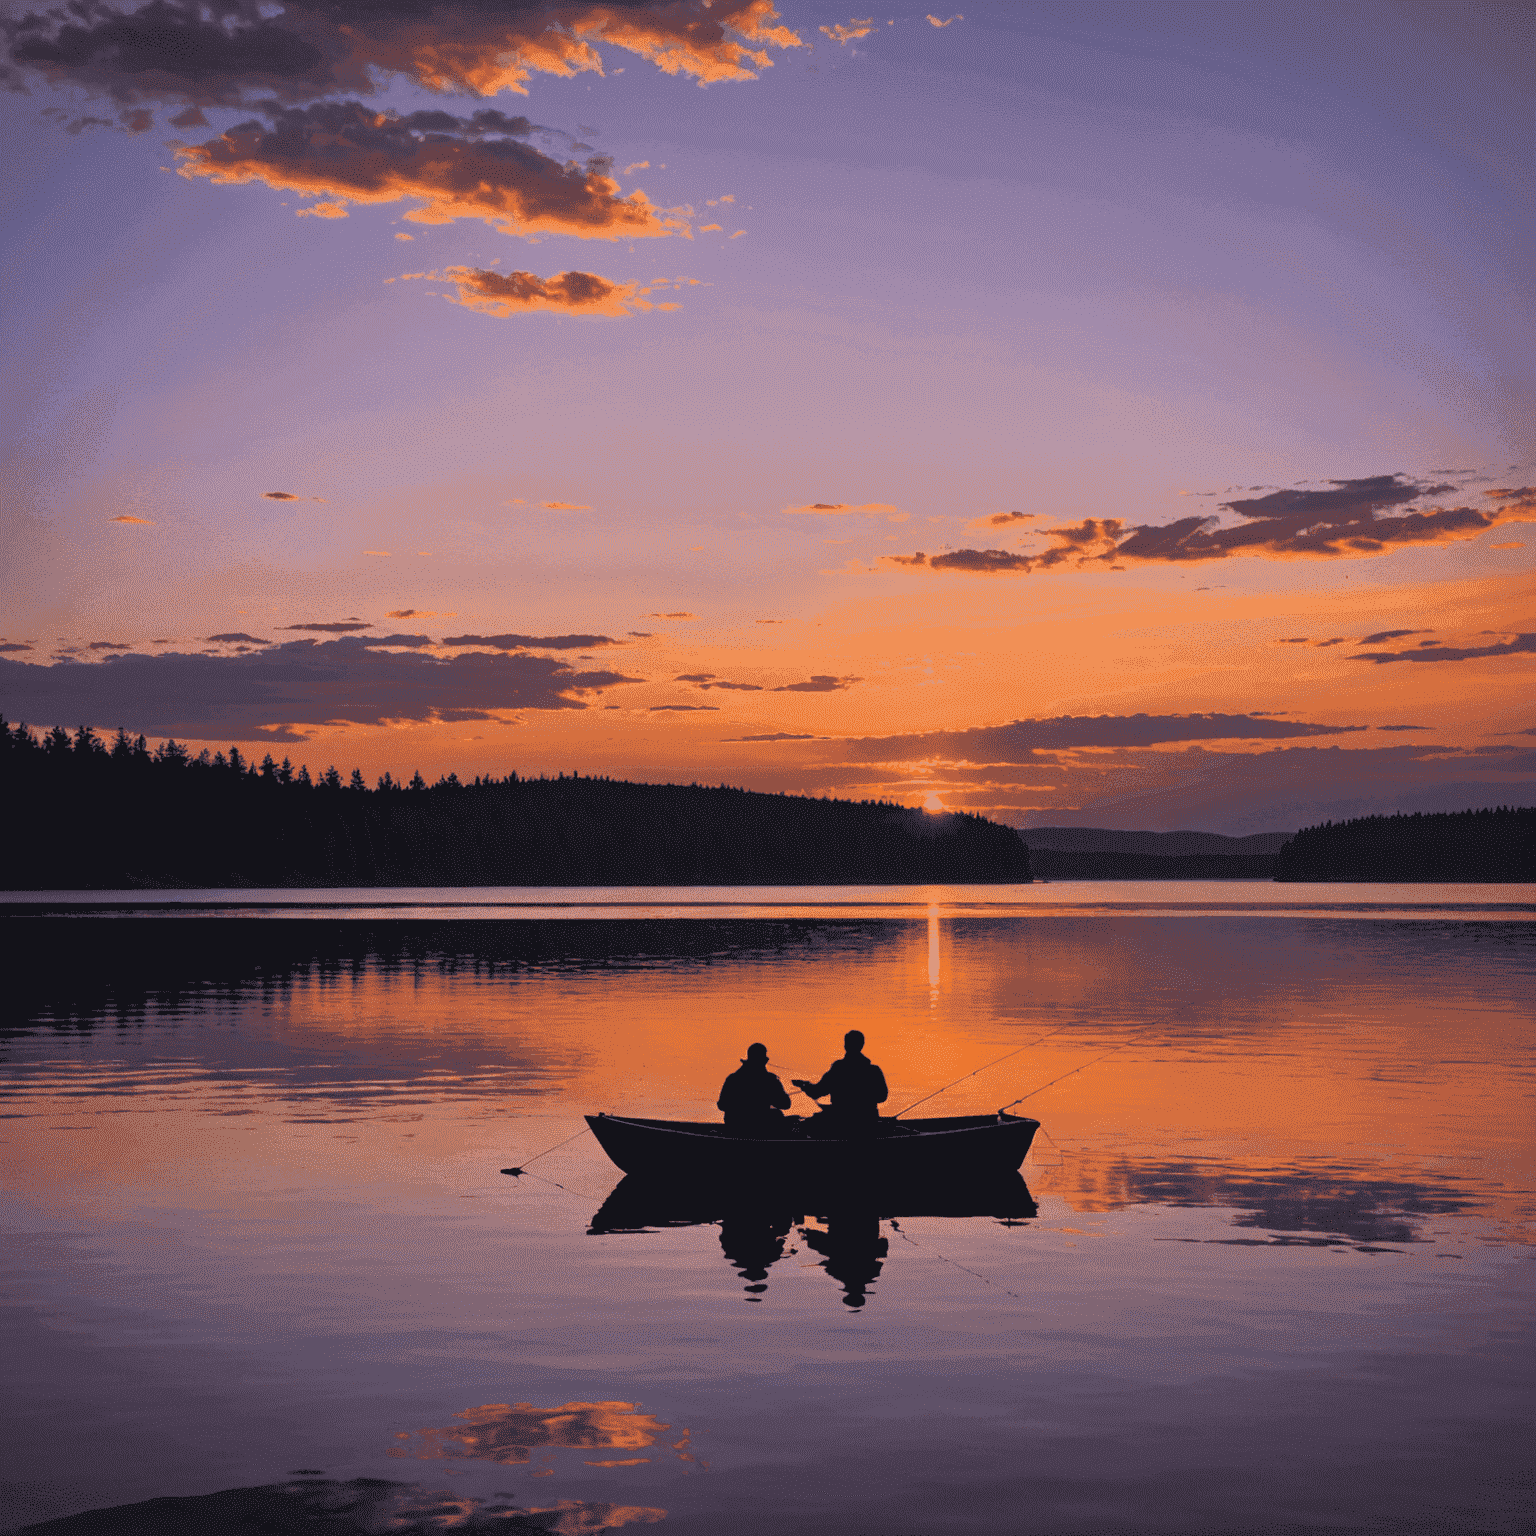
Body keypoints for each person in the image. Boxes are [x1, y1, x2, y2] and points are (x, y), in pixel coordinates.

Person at [792, 1030, 888, 1130]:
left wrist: (804, 1085)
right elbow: (882, 1097)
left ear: (845, 1046)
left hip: (840, 1121)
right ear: (862, 1045)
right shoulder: (874, 1070)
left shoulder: (838, 1069)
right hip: (868, 1121)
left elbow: (816, 1092)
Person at [717, 1042, 792, 1136]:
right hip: (759, 1128)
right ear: (764, 1060)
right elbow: (785, 1103)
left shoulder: (733, 1078)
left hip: (734, 1127)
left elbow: (721, 1105)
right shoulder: (769, 1080)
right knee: (777, 1115)